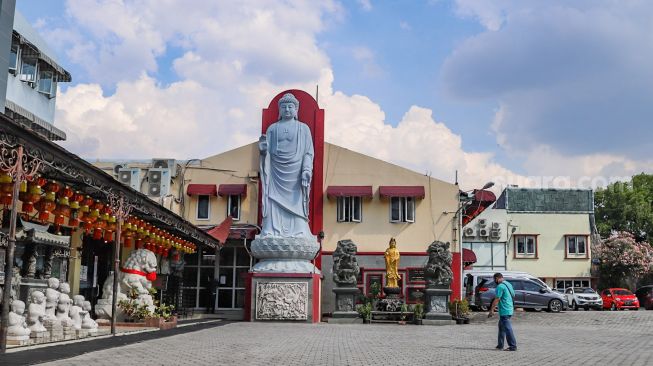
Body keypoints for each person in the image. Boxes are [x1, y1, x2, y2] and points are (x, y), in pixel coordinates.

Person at [488, 272, 517, 351]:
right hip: (510, 308)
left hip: (505, 310)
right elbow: (513, 295)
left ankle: (513, 346)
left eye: (495, 279)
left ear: (497, 278)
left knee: (507, 328)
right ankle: (500, 345)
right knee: (501, 327)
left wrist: (492, 310)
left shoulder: (500, 286)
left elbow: (497, 299)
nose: (495, 281)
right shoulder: (508, 284)